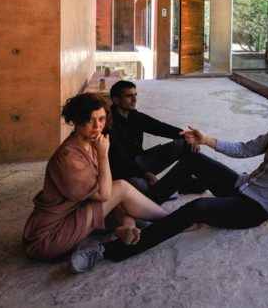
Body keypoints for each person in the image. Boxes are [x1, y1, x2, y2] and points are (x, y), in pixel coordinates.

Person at [69, 95, 268, 272]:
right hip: (241, 185)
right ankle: (143, 207)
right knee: (193, 159)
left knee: (197, 208)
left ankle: (108, 251)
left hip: (253, 209)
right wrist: (205, 139)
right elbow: (245, 149)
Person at [22, 93, 169, 263]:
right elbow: (104, 195)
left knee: (124, 199)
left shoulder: (90, 143)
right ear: (76, 120)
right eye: (90, 120)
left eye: (102, 119)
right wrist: (103, 155)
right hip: (48, 237)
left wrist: (126, 220)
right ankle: (172, 219)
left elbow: (106, 189)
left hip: (73, 216)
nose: (97, 126)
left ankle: (126, 227)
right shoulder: (69, 156)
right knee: (121, 188)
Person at [107, 80, 198, 202]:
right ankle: (168, 188)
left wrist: (187, 135)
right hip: (123, 171)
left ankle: (184, 182)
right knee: (142, 186)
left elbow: (161, 127)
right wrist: (145, 174)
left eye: (135, 95)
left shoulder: (135, 116)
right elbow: (120, 158)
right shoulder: (108, 123)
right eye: (129, 96)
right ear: (116, 100)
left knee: (186, 144)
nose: (134, 100)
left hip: (141, 160)